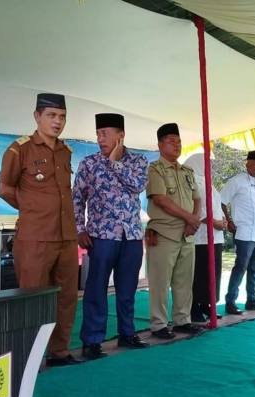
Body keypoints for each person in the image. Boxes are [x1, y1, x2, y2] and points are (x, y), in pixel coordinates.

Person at [0, 93, 81, 367]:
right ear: (37, 116)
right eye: (51, 115)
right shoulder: (19, 150)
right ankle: (30, 357)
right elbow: (4, 189)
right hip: (35, 238)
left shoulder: (66, 151)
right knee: (32, 299)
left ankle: (60, 352)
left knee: (66, 297)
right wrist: (32, 210)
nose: (58, 122)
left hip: (66, 237)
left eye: (62, 116)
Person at [72, 113, 150, 360]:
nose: (100, 139)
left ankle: (127, 333)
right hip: (101, 235)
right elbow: (77, 198)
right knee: (96, 289)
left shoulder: (138, 161)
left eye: (105, 134)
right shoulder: (89, 163)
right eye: (98, 134)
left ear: (121, 135)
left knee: (127, 289)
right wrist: (79, 229)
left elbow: (137, 185)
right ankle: (92, 341)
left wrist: (115, 163)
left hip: (131, 235)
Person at [146, 123, 204, 339]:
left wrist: (193, 221)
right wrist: (190, 218)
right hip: (164, 233)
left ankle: (182, 320)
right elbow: (160, 200)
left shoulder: (187, 171)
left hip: (187, 234)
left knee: (184, 281)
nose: (177, 145)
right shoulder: (155, 169)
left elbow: (197, 199)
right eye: (171, 141)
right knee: (160, 283)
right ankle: (159, 325)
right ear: (160, 145)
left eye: (179, 142)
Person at [221, 151, 255, 315]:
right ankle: (230, 302)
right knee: (241, 267)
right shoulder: (236, 181)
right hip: (244, 232)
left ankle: (252, 300)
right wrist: (228, 220)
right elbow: (221, 202)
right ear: (248, 164)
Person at [183, 153, 227, 323]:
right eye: (207, 163)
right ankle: (194, 307)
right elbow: (195, 207)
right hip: (201, 236)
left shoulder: (208, 182)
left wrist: (223, 220)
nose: (211, 167)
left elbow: (216, 205)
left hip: (216, 236)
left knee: (212, 273)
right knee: (199, 274)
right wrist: (214, 222)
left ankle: (207, 304)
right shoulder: (191, 180)